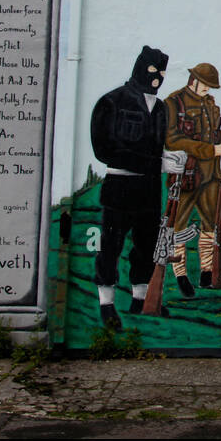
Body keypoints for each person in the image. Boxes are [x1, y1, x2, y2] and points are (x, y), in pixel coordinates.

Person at [90, 46, 171, 330]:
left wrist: (165, 162)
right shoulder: (112, 102)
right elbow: (104, 150)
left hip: (148, 189)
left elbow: (160, 147)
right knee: (111, 245)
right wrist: (155, 163)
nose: (157, 78)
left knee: (146, 245)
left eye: (161, 72)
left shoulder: (160, 109)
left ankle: (140, 299)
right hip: (120, 185)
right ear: (139, 67)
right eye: (152, 70)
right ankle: (107, 303)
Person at [163, 63, 221, 294]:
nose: (209, 89)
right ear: (194, 80)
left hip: (211, 176)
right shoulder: (174, 103)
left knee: (211, 226)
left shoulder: (210, 105)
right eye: (206, 84)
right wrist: (211, 150)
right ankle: (181, 275)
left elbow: (209, 134)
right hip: (185, 178)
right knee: (178, 227)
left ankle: (207, 272)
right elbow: (172, 140)